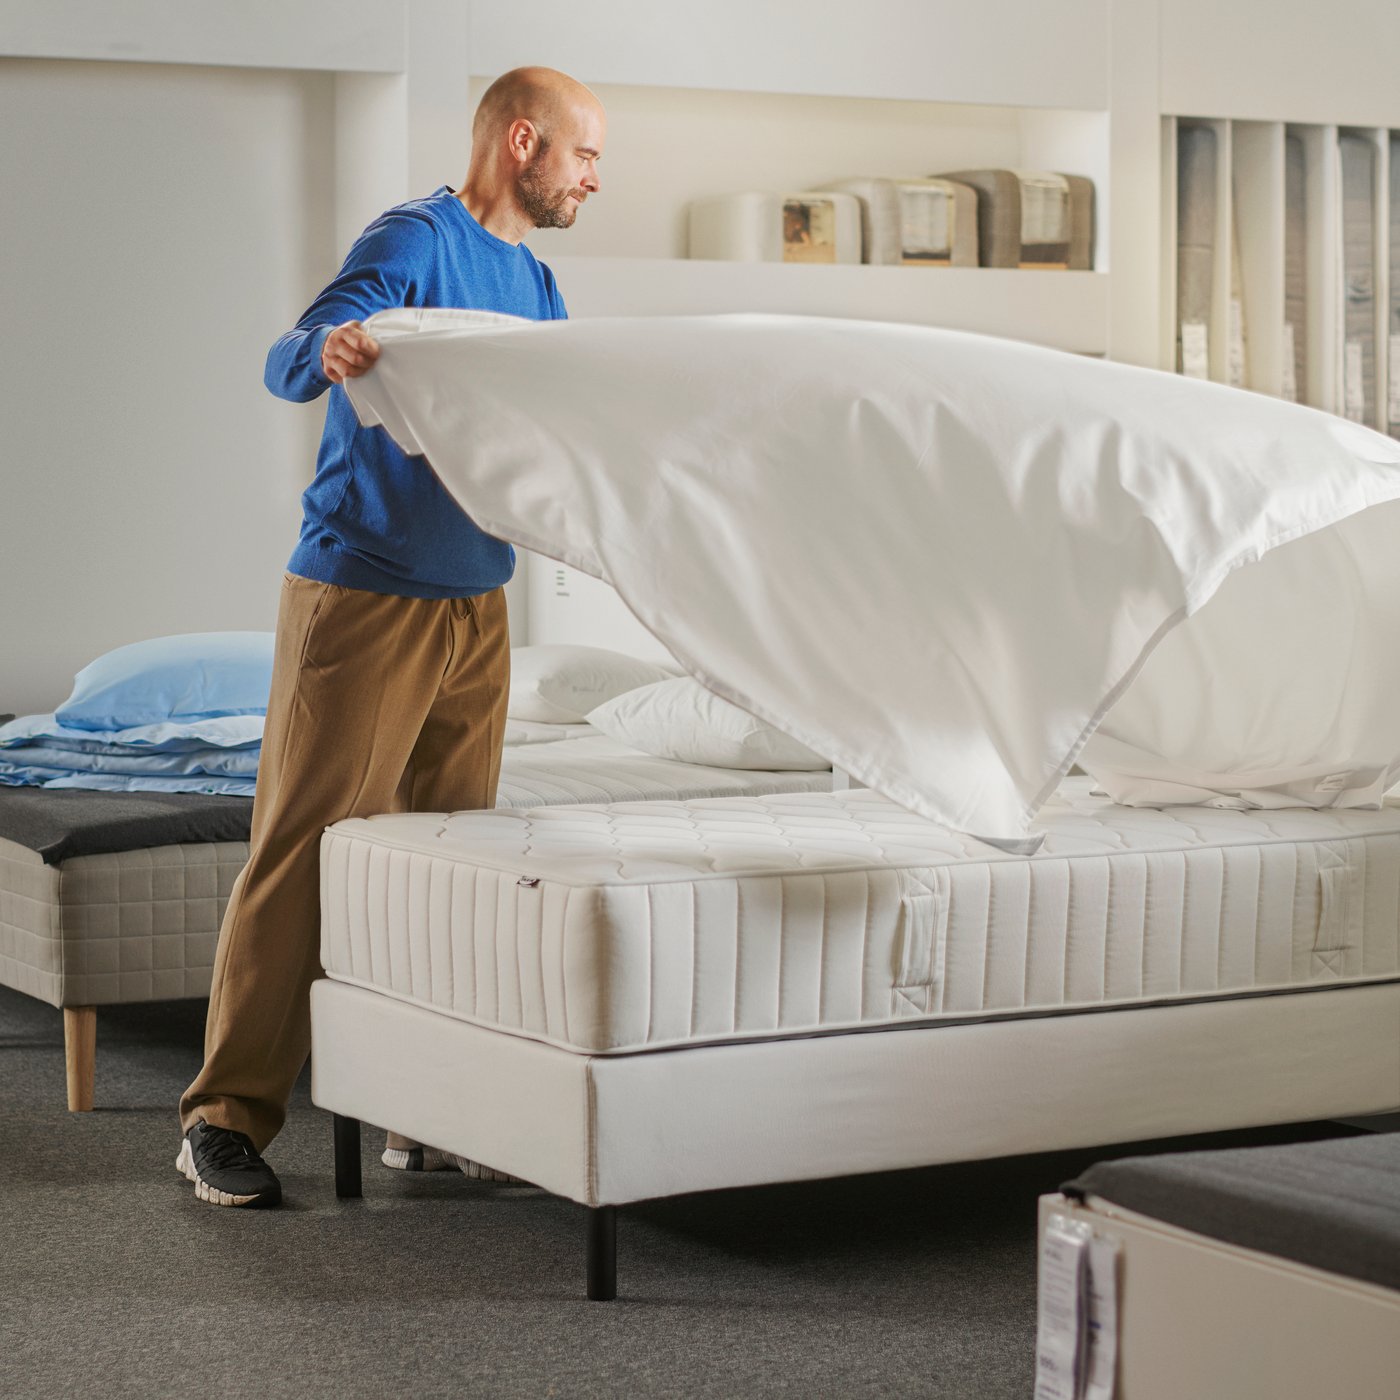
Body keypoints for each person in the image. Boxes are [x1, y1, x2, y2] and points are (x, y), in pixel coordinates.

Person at [175, 67, 606, 1208]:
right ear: (523, 142)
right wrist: (330, 351)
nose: (592, 176)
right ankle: (223, 1116)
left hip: (479, 601)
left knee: (442, 867)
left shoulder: (540, 285)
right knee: (303, 845)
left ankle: (420, 1116)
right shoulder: (416, 236)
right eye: (582, 154)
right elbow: (294, 350)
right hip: (363, 593)